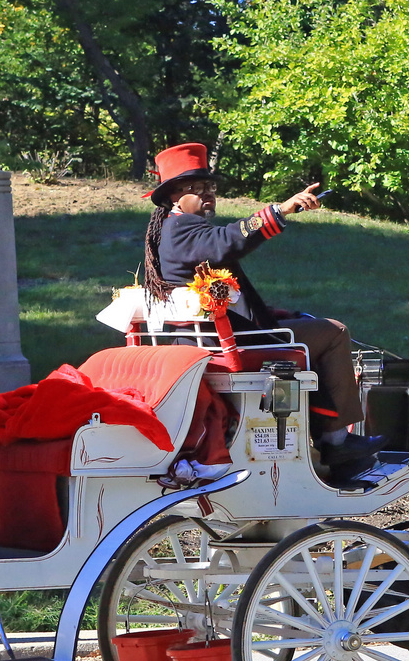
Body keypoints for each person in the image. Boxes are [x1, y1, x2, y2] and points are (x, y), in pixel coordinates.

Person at [140, 142, 383, 471]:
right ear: (174, 196)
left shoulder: (173, 230)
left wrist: (273, 315)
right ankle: (336, 442)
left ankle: (325, 437)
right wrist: (280, 210)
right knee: (334, 332)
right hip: (232, 345)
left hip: (217, 338)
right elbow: (227, 242)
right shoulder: (183, 228)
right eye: (194, 187)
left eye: (209, 186)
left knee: (304, 324)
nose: (207, 193)